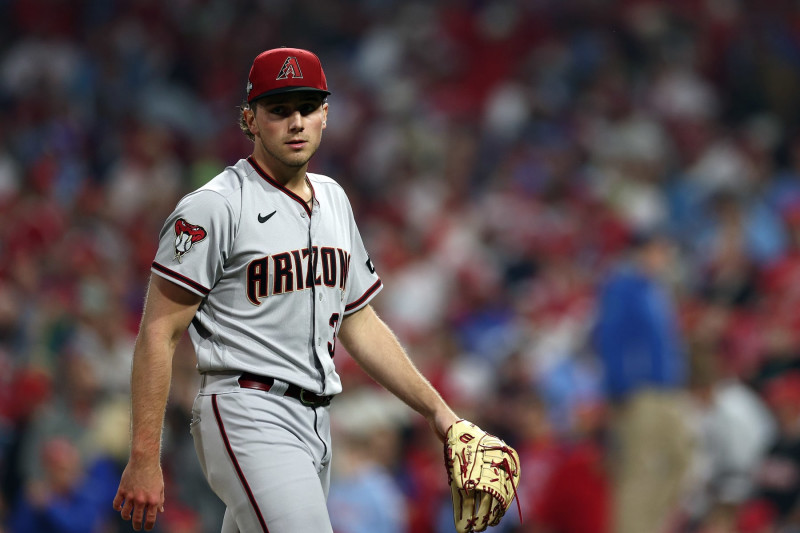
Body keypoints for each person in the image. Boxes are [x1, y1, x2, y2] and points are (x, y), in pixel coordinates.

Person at [111, 47, 459, 533]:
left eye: (307, 108)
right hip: (245, 408)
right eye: (278, 110)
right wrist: (145, 456)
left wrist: (438, 411)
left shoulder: (335, 198)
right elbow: (158, 333)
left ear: (325, 115)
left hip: (317, 423)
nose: (295, 122)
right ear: (250, 120)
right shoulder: (214, 207)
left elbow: (359, 323)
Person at [592, 230, 694, 533]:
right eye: (657, 250)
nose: (662, 257)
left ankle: (650, 526)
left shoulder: (655, 289)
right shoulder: (624, 287)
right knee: (638, 471)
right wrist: (619, 390)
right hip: (640, 394)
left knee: (682, 458)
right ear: (640, 252)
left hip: (668, 392)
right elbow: (609, 338)